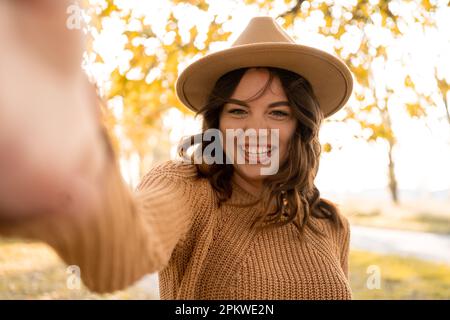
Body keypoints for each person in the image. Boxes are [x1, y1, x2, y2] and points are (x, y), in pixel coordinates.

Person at [0, 1, 354, 299]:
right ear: (217, 124)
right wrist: (73, 162)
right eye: (238, 111)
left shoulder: (329, 221)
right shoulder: (190, 187)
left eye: (278, 113)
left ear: (301, 127)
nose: (255, 131)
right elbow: (124, 250)